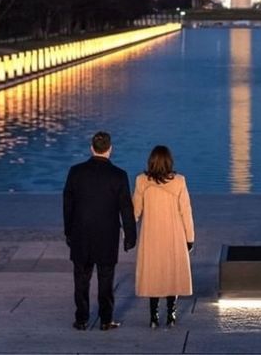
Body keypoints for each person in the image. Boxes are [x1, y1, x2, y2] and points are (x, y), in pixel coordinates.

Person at [62, 131, 137, 331]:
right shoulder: (119, 175)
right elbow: (126, 208)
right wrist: (130, 236)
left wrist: (68, 231)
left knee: (81, 279)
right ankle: (106, 319)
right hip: (107, 235)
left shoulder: (75, 172)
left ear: (91, 148)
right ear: (110, 149)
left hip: (81, 233)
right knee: (106, 279)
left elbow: (68, 204)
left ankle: (81, 319)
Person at [132, 145, 195, 328]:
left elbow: (135, 211)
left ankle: (153, 316)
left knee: (153, 274)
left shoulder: (141, 181)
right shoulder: (179, 181)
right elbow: (186, 212)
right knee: (171, 273)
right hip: (173, 235)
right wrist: (190, 238)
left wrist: (126, 231)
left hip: (151, 235)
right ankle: (171, 314)